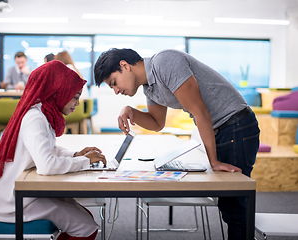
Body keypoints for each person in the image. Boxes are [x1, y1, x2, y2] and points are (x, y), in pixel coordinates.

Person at [94, 48, 260, 240]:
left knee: (236, 208)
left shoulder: (165, 62)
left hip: (236, 126)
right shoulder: (149, 87)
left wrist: (213, 162)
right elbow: (157, 123)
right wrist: (131, 111)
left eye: (113, 83)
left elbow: (199, 111)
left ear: (125, 65)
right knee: (230, 207)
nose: (115, 91)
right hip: (223, 129)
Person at [0, 60, 106, 240]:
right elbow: (46, 165)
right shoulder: (35, 118)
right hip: (9, 201)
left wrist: (75, 155)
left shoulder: (44, 113)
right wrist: (85, 162)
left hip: (19, 190)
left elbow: (49, 148)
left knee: (85, 217)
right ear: (59, 92)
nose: (77, 103)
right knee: (86, 227)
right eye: (75, 97)